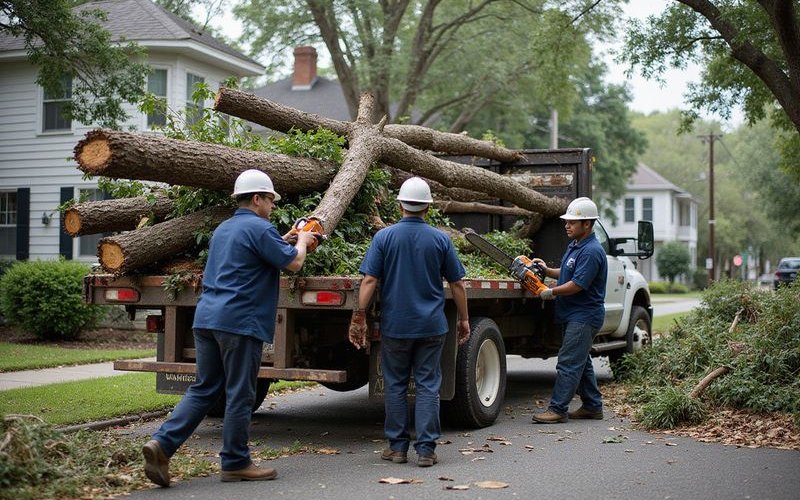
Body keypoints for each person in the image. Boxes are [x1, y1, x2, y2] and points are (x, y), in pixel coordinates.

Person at [142, 169, 319, 487]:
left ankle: (162, 444)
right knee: (240, 393)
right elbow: (293, 263)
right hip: (240, 322)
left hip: (207, 318)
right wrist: (303, 241)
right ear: (256, 198)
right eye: (270, 199)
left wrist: (287, 239)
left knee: (204, 389)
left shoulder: (224, 229)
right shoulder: (260, 228)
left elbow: (254, 255)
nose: (273, 206)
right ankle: (236, 462)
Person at [348, 177, 470, 467]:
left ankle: (398, 447)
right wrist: (464, 318)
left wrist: (359, 316)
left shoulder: (384, 237)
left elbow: (370, 280)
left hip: (396, 326)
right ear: (428, 207)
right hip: (432, 327)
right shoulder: (441, 239)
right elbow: (457, 284)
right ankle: (426, 450)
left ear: (400, 204)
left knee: (396, 384)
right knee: (428, 385)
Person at [531, 197, 607, 424]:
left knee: (568, 362)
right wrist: (547, 270)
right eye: (567, 221)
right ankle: (592, 406)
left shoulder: (592, 251)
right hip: (574, 314)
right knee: (581, 362)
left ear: (587, 224)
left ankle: (557, 409)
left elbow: (577, 285)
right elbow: (567, 272)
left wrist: (550, 292)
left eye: (573, 222)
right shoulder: (576, 246)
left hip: (584, 316)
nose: (567, 225)